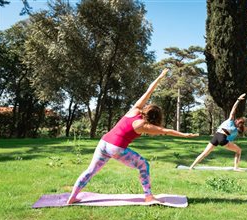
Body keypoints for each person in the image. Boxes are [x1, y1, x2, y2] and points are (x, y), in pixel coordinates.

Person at [67, 68, 198, 204]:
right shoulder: (144, 126)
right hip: (116, 147)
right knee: (143, 165)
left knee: (90, 170)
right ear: (156, 118)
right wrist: (184, 134)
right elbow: (166, 131)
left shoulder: (134, 109)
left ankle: (72, 197)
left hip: (104, 142)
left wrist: (160, 77)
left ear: (147, 109)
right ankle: (148, 196)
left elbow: (149, 92)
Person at [189, 93, 247, 171]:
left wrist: (238, 100)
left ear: (237, 121)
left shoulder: (231, 121)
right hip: (222, 138)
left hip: (216, 136)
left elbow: (234, 109)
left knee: (205, 153)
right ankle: (236, 167)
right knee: (238, 150)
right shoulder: (235, 128)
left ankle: (191, 167)